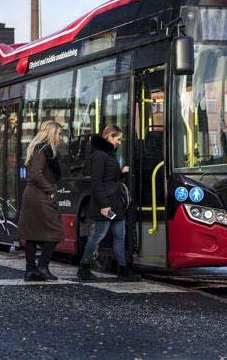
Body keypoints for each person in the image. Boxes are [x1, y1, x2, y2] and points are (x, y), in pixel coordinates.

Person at [77, 125, 139, 281]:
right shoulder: (99, 155)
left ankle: (123, 270)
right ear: (110, 137)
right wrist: (105, 205)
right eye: (118, 139)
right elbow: (96, 182)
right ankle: (84, 266)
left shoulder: (109, 154)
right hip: (106, 205)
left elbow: (109, 179)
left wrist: (121, 173)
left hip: (115, 203)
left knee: (120, 236)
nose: (119, 142)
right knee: (98, 235)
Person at [18, 120, 65, 281]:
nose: (60, 138)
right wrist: (50, 189)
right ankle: (42, 267)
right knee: (55, 232)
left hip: (33, 195)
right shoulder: (43, 150)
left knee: (32, 234)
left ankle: (31, 271)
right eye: (59, 134)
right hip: (40, 196)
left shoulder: (39, 149)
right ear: (51, 133)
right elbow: (36, 174)